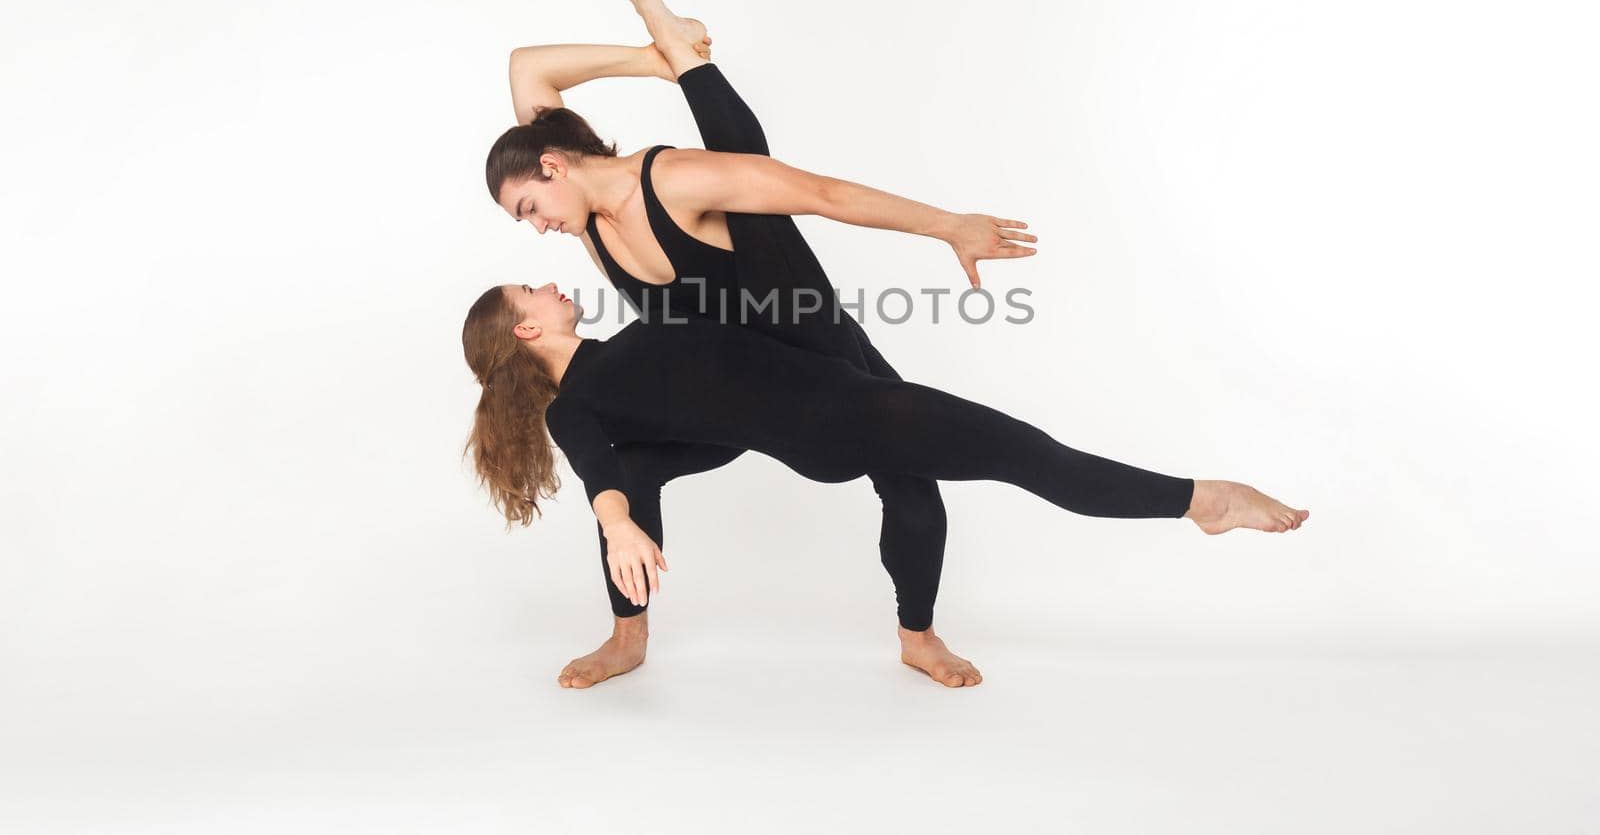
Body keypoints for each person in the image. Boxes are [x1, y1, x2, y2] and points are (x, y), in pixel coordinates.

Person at [487, 0, 1036, 688]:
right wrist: (650, 57)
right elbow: (528, 78)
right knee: (632, 470)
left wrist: (948, 227)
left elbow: (821, 194)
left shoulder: (663, 181)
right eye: (523, 217)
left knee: (907, 478)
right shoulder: (586, 220)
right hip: (723, 388)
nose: (538, 227)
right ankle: (627, 637)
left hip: (807, 346)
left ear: (553, 163)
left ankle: (919, 636)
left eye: (531, 205)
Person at [459, 282, 1310, 684]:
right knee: (1033, 456)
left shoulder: (621, 354)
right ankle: (1205, 500)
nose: (548, 279)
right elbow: (601, 475)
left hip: (831, 406)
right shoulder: (579, 406)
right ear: (527, 327)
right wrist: (617, 521)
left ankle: (916, 635)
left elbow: (689, 426)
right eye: (529, 288)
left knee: (921, 489)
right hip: (839, 418)